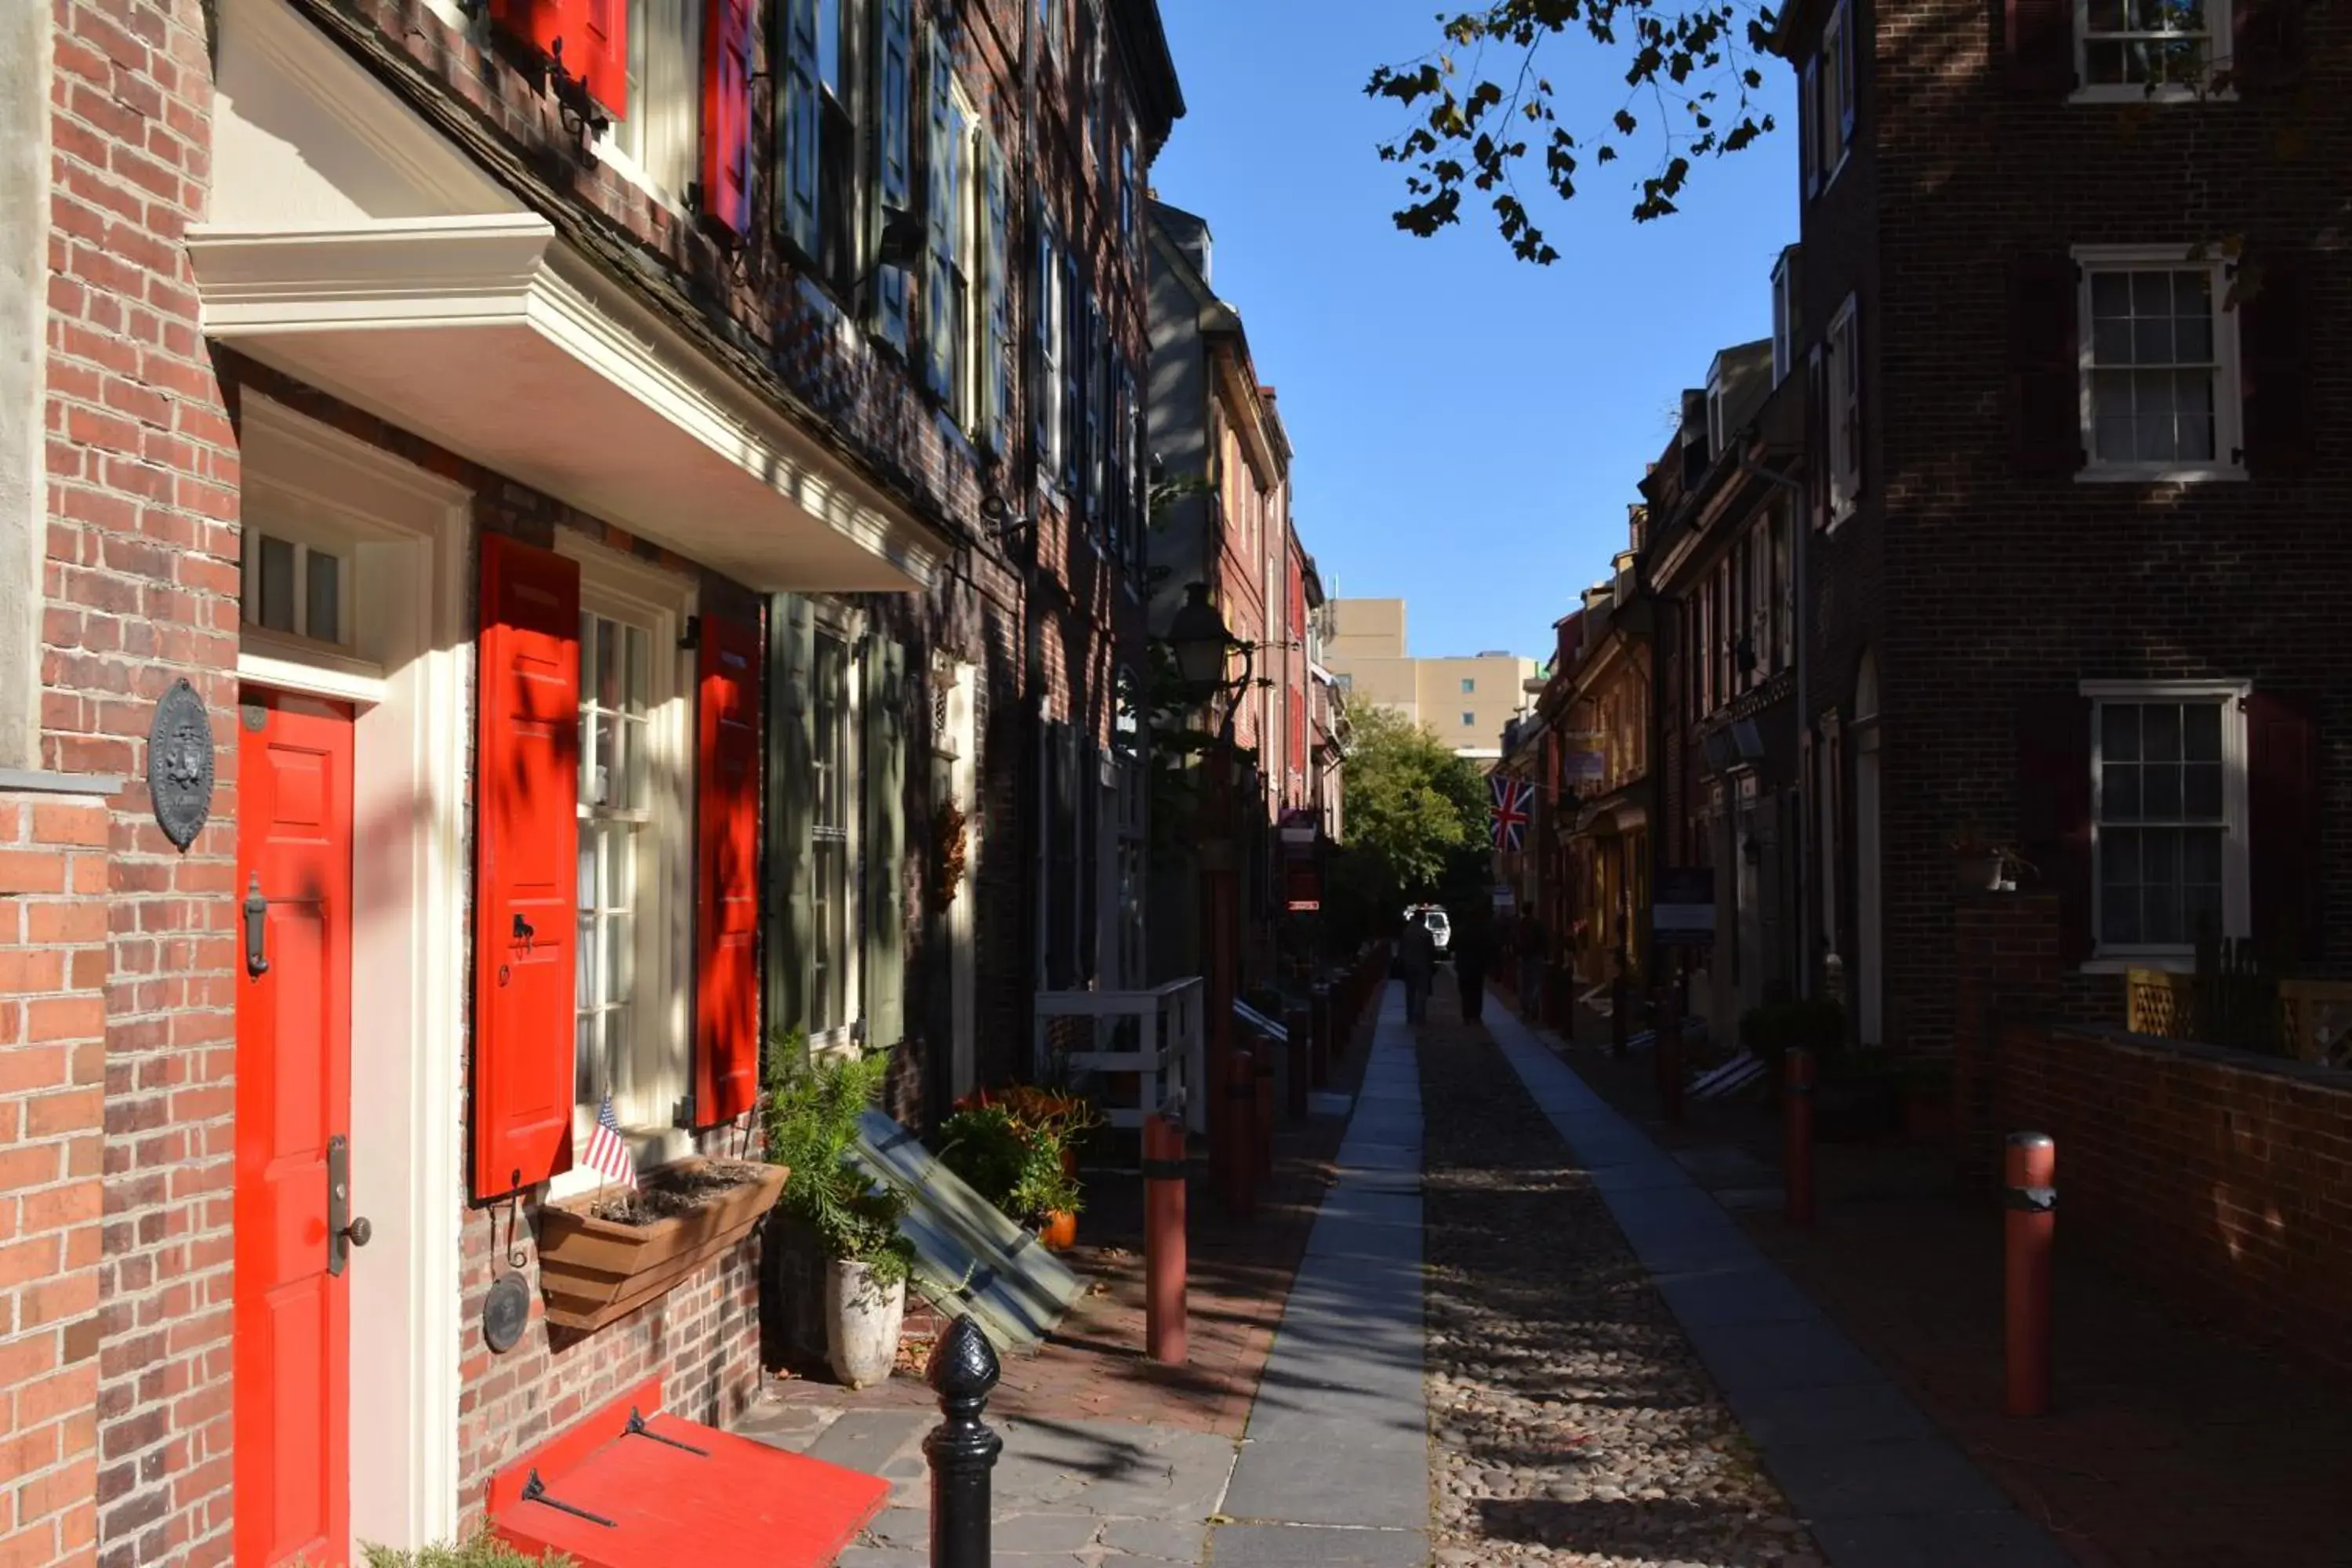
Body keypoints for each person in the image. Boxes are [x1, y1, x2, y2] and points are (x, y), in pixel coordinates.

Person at [1453, 906, 1490, 1025]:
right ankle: (1476, 1015)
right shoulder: (1482, 931)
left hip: (1463, 966)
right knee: (1477, 991)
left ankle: (1467, 1016)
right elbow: (1488, 947)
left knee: (1465, 992)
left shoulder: (1459, 930)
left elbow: (1451, 946)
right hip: (1478, 965)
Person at [1399, 911, 1436, 1025]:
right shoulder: (1426, 933)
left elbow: (1401, 949)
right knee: (1422, 991)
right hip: (1423, 964)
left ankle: (1409, 1015)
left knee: (1410, 991)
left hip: (1409, 964)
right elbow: (1431, 952)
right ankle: (1421, 1016)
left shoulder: (1406, 932)